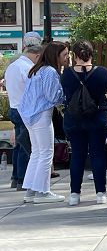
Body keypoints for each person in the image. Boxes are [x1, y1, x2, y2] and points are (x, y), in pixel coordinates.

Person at [61, 40, 107, 206]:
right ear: (91, 54)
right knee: (98, 153)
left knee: (77, 154)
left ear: (74, 55)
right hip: (97, 116)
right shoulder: (102, 73)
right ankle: (101, 193)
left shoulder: (67, 74)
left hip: (74, 119)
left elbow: (64, 92)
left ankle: (74, 194)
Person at [20, 41, 69, 203]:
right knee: (46, 153)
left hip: (30, 115)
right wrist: (65, 95)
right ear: (56, 56)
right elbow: (53, 97)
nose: (67, 57)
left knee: (37, 152)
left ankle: (31, 191)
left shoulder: (37, 70)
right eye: (64, 55)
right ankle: (42, 192)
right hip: (41, 115)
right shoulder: (49, 71)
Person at [6, 34, 42, 190]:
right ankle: (22, 179)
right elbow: (33, 91)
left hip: (14, 107)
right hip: (24, 110)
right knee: (26, 146)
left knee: (19, 145)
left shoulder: (12, 65)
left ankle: (15, 177)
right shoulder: (27, 68)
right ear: (35, 54)